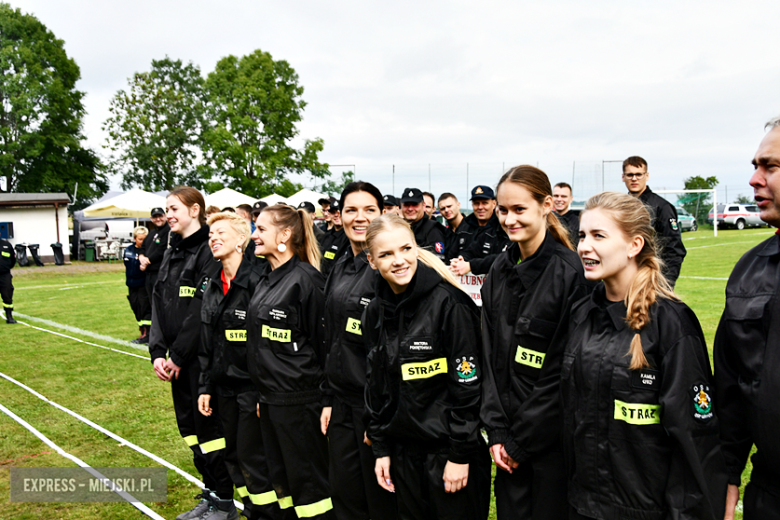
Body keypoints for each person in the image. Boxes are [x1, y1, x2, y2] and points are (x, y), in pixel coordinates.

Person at [562, 192, 727, 520]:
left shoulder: (671, 323)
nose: (583, 246)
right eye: (581, 236)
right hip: (584, 507)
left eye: (598, 236)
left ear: (634, 245)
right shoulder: (581, 314)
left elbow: (694, 442)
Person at [363, 214, 491, 520]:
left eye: (406, 249)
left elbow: (469, 385)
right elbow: (376, 386)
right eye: (386, 254)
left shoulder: (451, 304)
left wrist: (459, 454)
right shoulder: (374, 312)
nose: (399, 260)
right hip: (403, 455)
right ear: (371, 261)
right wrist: (381, 448)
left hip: (449, 455)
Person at [480, 166, 589, 520]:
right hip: (506, 440)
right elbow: (489, 355)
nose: (509, 219)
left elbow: (564, 371)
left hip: (550, 445)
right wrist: (496, 429)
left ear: (546, 206)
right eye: (503, 210)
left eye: (519, 209)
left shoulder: (571, 273)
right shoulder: (499, 270)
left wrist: (520, 440)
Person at [148, 187, 235, 520]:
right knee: (191, 434)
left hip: (198, 364)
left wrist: (179, 357)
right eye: (167, 209)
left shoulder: (207, 251)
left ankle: (224, 503)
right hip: (174, 362)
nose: (168, 214)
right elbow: (158, 302)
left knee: (211, 436)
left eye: (174, 208)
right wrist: (157, 350)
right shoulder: (172, 251)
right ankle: (211, 495)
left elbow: (201, 312)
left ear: (195, 210)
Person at [247, 205, 334, 520]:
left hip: (301, 405)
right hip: (272, 402)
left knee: (310, 488)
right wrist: (264, 395)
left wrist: (326, 400)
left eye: (260, 229)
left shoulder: (306, 281)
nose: (254, 235)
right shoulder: (267, 279)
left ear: (284, 235)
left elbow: (325, 348)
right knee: (283, 484)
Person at [714, 115, 780, 520]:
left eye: (770, 166)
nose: (755, 179)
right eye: (755, 166)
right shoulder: (749, 270)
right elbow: (731, 387)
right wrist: (728, 472)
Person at [319, 182, 397, 520]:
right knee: (345, 494)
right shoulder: (340, 265)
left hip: (374, 408)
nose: (359, 218)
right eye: (351, 210)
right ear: (340, 216)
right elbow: (331, 338)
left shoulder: (390, 270)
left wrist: (379, 420)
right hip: (340, 404)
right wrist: (327, 397)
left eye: (369, 210)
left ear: (382, 214)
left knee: (379, 502)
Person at [197, 212, 277, 520]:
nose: (213, 238)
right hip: (223, 389)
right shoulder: (213, 284)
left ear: (241, 240)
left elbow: (268, 347)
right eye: (210, 235)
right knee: (233, 457)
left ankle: (267, 514)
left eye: (221, 233)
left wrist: (263, 390)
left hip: (252, 391)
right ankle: (252, 511)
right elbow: (207, 343)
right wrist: (205, 386)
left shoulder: (258, 280)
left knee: (253, 459)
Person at [622, 156, 686, 286]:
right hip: (623, 279)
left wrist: (664, 284)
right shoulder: (619, 207)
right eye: (630, 175)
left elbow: (674, 250)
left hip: (650, 281)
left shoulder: (662, 207)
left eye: (638, 174)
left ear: (647, 176)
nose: (634, 178)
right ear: (623, 177)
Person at [451, 185, 510, 276]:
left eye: (485, 203)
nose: (480, 207)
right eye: (476, 203)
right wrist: (460, 259)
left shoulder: (503, 228)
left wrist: (471, 265)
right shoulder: (464, 227)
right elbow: (471, 250)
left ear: (494, 203)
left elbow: (505, 257)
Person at [400, 187, 447, 261]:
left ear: (423, 206)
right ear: (401, 206)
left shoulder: (433, 229)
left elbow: (436, 263)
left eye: (414, 204)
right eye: (406, 205)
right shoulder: (397, 228)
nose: (410, 209)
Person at [139, 207, 171, 308]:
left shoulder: (169, 231)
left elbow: (162, 250)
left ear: (165, 216)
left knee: (160, 303)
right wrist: (141, 257)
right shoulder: (152, 233)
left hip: (160, 273)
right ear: (151, 218)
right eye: (155, 217)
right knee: (152, 303)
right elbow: (142, 247)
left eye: (160, 216)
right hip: (149, 274)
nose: (158, 219)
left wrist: (146, 261)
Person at [124, 226, 151, 343]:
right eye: (140, 239)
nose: (142, 242)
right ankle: (142, 331)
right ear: (135, 238)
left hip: (143, 285)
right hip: (131, 284)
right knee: (135, 307)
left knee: (144, 308)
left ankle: (147, 334)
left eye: (145, 239)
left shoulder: (148, 251)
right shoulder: (128, 250)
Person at [438, 192, 475, 261]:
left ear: (458, 205)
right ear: (440, 211)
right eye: (443, 208)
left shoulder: (472, 229)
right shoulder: (444, 233)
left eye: (449, 206)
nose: (446, 210)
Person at [319, 199, 350, 277]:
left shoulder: (349, 238)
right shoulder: (325, 236)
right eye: (333, 212)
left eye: (338, 212)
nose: (336, 215)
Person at [552, 182, 579, 247]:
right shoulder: (545, 219)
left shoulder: (578, 223)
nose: (559, 199)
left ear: (571, 199)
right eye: (556, 196)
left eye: (563, 196)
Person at [0, 237, 16, 324]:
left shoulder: (6, 245)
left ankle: (9, 317)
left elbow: (13, 260)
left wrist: (5, 268)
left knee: (7, 295)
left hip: (4, 275)